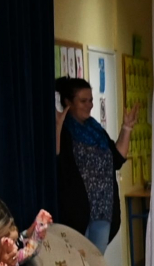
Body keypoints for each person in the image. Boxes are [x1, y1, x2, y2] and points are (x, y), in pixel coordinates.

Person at [56, 76, 138, 253]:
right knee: (78, 263)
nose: (90, 105)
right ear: (68, 102)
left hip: (103, 209)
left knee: (96, 262)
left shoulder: (95, 130)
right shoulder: (64, 131)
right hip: (77, 212)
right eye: (83, 101)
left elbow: (117, 159)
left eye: (91, 100)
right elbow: (56, 160)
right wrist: (58, 125)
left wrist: (127, 128)